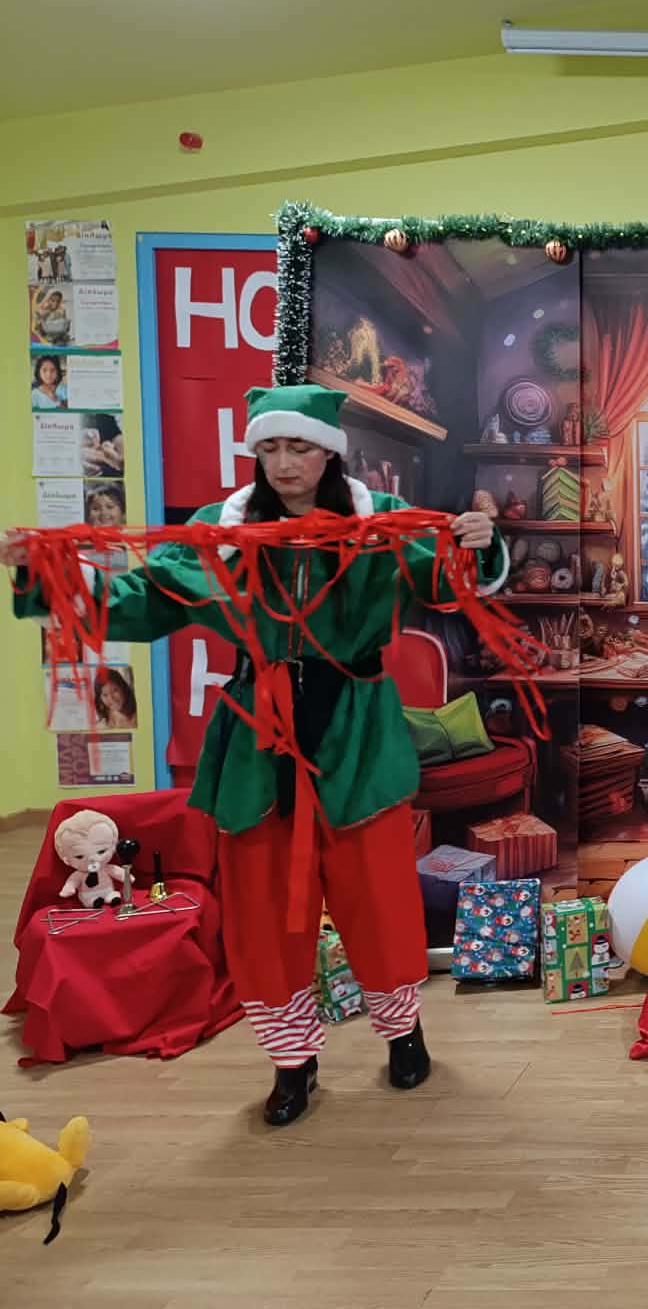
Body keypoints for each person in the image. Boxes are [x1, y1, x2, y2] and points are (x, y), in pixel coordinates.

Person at [6, 385, 510, 1127]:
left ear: (328, 452)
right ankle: (292, 1061)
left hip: (357, 737)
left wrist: (478, 542)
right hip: (255, 740)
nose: (283, 463)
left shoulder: (378, 524)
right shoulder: (221, 531)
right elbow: (146, 597)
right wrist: (44, 571)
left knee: (378, 903)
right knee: (263, 915)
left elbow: (446, 580)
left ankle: (403, 1032)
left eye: (298, 446)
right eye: (269, 448)